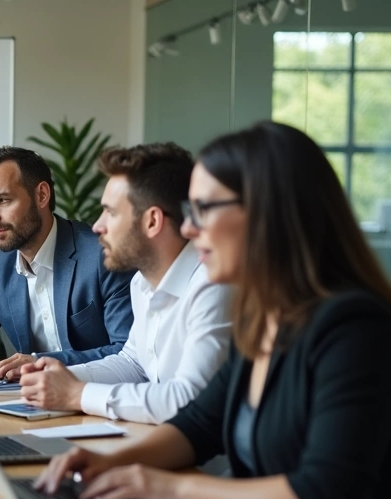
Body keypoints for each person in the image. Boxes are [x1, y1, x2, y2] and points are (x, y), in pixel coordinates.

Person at [36, 121, 391, 499]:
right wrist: (112, 463)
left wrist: (169, 487)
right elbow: (200, 424)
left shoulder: (357, 329)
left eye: (203, 210)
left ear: (269, 214)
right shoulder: (266, 317)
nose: (189, 228)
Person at [19, 143, 232, 424]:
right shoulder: (141, 283)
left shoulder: (213, 285)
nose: (97, 226)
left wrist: (78, 394)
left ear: (152, 221)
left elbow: (188, 399)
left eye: (111, 212)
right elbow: (133, 363)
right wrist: (59, 377)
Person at [0, 146, 134, 380]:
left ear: (42, 195)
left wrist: (42, 363)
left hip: (98, 398)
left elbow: (128, 353)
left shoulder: (102, 255)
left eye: (3, 200)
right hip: (34, 401)